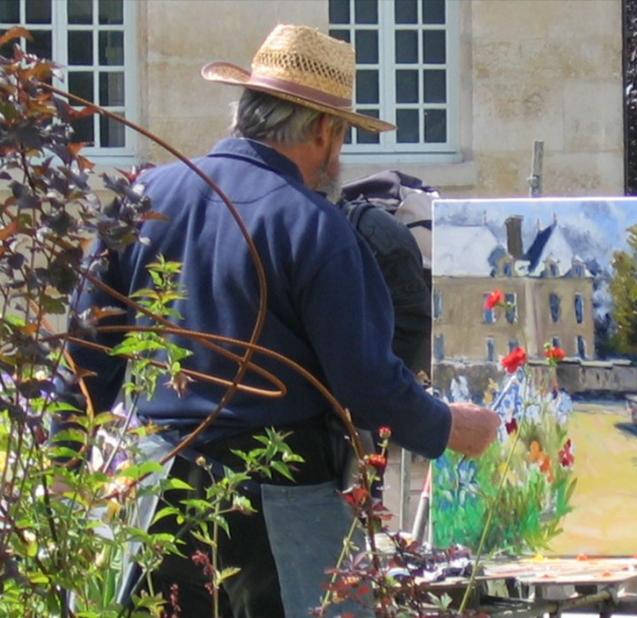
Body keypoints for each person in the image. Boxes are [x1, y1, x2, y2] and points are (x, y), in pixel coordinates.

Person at [63, 24, 499, 618]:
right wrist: (446, 425)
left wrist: (61, 461)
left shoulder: (141, 200)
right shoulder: (316, 226)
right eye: (342, 137)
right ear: (324, 129)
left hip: (152, 495)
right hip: (277, 507)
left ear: (246, 112)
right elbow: (366, 384)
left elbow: (86, 357)